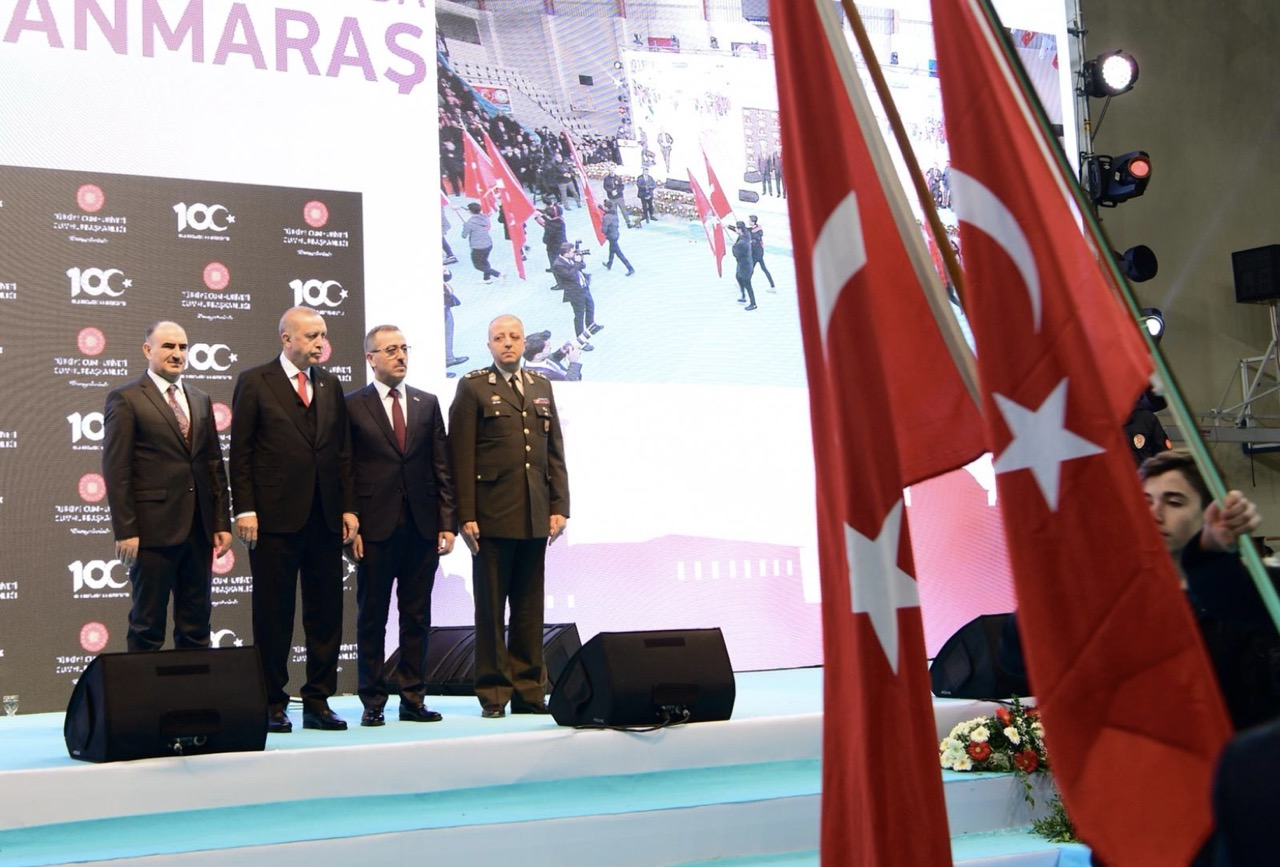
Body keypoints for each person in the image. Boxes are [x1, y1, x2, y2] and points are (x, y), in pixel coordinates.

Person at [230, 307, 359, 733]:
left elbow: (342, 451)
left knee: (326, 614)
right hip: (273, 520)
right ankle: (271, 701)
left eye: (323, 335)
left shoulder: (330, 384)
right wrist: (245, 509)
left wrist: (348, 507)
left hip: (324, 518)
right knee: (274, 615)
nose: (320, 343)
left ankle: (318, 701)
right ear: (287, 339)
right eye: (311, 336)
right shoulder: (255, 381)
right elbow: (241, 452)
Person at [448, 315, 570, 717]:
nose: (508, 343)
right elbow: (460, 455)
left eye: (514, 337)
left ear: (523, 342)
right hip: (491, 517)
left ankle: (530, 691)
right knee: (490, 610)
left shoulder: (540, 385)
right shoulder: (473, 386)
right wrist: (465, 514)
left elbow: (554, 452)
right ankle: (494, 693)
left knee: (530, 610)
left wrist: (559, 506)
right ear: (489, 346)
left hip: (535, 514)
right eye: (499, 338)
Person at [346, 326, 456, 726]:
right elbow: (345, 470)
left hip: (422, 527)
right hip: (374, 529)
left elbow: (442, 465)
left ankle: (413, 698)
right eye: (390, 350)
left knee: (417, 617)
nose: (400, 356)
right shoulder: (352, 405)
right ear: (370, 358)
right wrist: (352, 525)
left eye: (404, 348)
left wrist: (448, 522)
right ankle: (372, 700)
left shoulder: (427, 403)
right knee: (372, 618)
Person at [102, 321, 232, 652]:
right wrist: (126, 530)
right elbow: (117, 471)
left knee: (197, 626)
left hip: (199, 530)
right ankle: (143, 689)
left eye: (182, 347)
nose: (177, 354)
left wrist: (221, 522)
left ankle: (193, 687)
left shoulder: (200, 399)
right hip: (151, 532)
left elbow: (214, 465)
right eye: (168, 346)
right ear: (148, 350)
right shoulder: (126, 398)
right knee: (147, 626)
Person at [1140, 450, 1280, 730]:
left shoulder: (1246, 599)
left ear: (1209, 513)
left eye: (1174, 502)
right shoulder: (1131, 606)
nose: (1154, 514)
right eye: (1145, 502)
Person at [553, 242, 603, 349]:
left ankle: (591, 326)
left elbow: (582, 266)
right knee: (579, 315)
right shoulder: (558, 265)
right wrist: (576, 262)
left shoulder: (570, 258)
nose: (574, 253)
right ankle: (581, 341)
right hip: (574, 293)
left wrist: (580, 259)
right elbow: (570, 275)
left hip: (584, 287)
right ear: (566, 253)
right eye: (572, 252)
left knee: (590, 307)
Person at [461, 203, 501, 283]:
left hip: (478, 247)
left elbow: (464, 235)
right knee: (484, 261)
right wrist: (461, 207)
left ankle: (498, 274)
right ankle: (487, 278)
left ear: (470, 211)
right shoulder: (484, 217)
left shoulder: (469, 223)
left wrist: (465, 226)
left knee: (478, 265)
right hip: (488, 243)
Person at [600, 203, 635, 276]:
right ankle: (609, 264)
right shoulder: (614, 213)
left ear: (607, 208)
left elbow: (604, 229)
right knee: (611, 250)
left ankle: (630, 268)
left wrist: (602, 229)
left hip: (611, 236)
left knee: (619, 254)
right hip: (615, 234)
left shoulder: (606, 217)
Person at [730, 221, 757, 310]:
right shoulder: (746, 234)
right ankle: (743, 296)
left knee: (747, 284)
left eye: (737, 228)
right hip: (743, 263)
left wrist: (733, 247)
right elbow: (735, 230)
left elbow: (736, 254)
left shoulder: (741, 243)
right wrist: (728, 226)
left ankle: (753, 303)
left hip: (745, 266)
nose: (736, 230)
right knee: (738, 277)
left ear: (740, 230)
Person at [747, 215, 776, 291]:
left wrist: (751, 241)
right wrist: (728, 226)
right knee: (762, 269)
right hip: (758, 253)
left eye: (749, 220)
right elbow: (742, 230)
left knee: (751, 269)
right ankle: (772, 286)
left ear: (753, 222)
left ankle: (744, 283)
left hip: (757, 253)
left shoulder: (758, 231)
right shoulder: (753, 229)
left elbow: (756, 238)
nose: (748, 221)